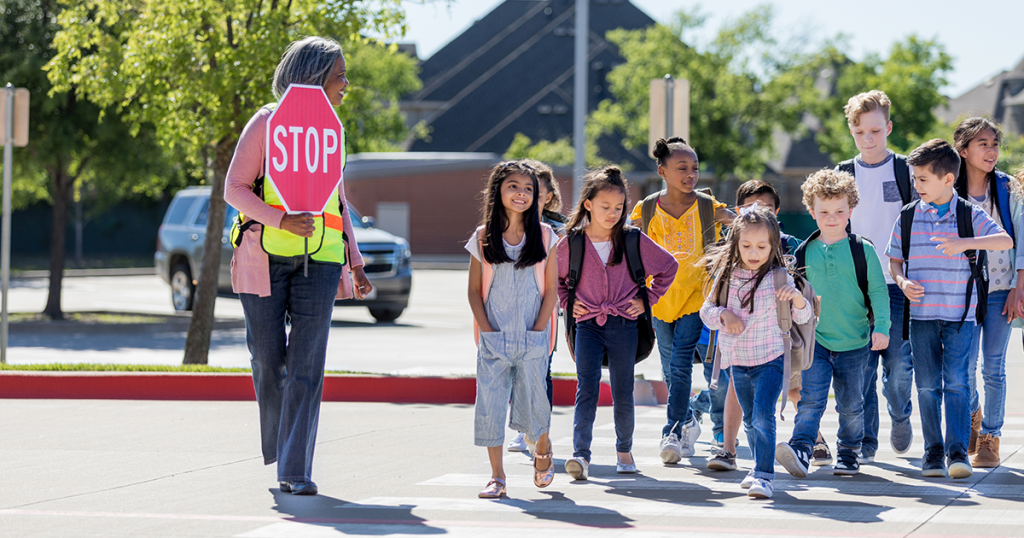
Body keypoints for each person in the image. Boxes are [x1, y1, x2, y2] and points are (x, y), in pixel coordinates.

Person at [224, 36, 373, 496]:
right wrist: (281, 217)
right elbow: (235, 188)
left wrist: (356, 260)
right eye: (339, 75)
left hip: (323, 260)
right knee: (270, 362)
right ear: (312, 77)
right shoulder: (266, 123)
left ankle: (294, 468)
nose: (347, 83)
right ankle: (282, 447)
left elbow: (338, 199)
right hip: (264, 258)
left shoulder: (332, 129)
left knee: (307, 365)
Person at [887, 139, 1012, 479]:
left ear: (946, 179)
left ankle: (958, 452)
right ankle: (933, 452)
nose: (917, 186)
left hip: (962, 317)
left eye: (923, 179)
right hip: (921, 318)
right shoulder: (909, 215)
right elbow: (894, 261)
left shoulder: (970, 214)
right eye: (915, 179)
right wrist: (901, 282)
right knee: (927, 386)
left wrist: (964, 243)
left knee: (958, 383)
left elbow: (1005, 241)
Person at [558, 166, 677, 480]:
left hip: (624, 326)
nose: (613, 214)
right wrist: (567, 302)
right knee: (587, 389)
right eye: (605, 207)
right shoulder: (573, 242)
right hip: (587, 325)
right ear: (588, 205)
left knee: (623, 391)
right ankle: (581, 455)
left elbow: (668, 266)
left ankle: (624, 451)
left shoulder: (632, 239)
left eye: (619, 208)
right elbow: (550, 277)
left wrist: (646, 300)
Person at [775, 169, 890, 478]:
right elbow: (797, 296)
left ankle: (849, 452)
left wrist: (882, 327)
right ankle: (801, 447)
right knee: (811, 400)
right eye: (824, 211)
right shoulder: (804, 252)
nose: (831, 217)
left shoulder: (862, 250)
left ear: (850, 211)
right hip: (817, 343)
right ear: (812, 212)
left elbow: (878, 291)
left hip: (855, 343)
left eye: (839, 211)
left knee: (852, 405)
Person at [629, 137, 734, 464]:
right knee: (670, 370)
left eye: (695, 168)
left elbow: (738, 222)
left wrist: (756, 220)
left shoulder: (707, 206)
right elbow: (624, 240)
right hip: (659, 301)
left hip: (696, 300)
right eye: (682, 168)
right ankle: (687, 420)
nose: (691, 174)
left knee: (680, 363)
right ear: (662, 171)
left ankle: (672, 430)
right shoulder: (646, 209)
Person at [699, 207, 813, 499]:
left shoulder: (779, 277)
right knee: (750, 418)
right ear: (735, 243)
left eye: (762, 246)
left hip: (771, 359)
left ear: (774, 245)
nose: (754, 252)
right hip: (738, 360)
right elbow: (706, 311)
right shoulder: (726, 276)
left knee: (763, 415)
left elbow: (804, 317)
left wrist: (798, 299)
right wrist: (724, 314)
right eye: (746, 245)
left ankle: (764, 475)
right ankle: (756, 468)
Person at [467, 161, 559, 498]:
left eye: (528, 189)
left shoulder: (547, 236)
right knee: (490, 405)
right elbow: (473, 291)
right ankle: (497, 477)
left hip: (533, 336)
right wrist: (487, 330)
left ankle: (543, 447)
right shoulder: (482, 237)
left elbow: (551, 291)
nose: (521, 194)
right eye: (513, 187)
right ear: (498, 191)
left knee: (536, 404)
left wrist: (538, 330)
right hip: (494, 338)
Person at [837, 90, 917, 464]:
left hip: (898, 284)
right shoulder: (843, 174)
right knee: (862, 369)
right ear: (851, 132)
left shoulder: (905, 171)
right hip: (857, 287)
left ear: (888, 127)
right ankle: (867, 440)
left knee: (899, 367)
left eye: (874, 130)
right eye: (859, 132)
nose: (867, 139)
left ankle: (901, 414)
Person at [953, 118, 1023, 468]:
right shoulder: (951, 190)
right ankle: (973, 415)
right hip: (963, 293)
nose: (992, 150)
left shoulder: (1008, 187)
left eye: (995, 143)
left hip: (1001, 290)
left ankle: (990, 438)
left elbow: (1022, 239)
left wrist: (1018, 288)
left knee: (994, 367)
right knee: (964, 368)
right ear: (963, 150)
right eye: (983, 143)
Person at [507, 159, 566, 454]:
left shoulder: (558, 232)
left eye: (536, 193)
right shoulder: (506, 227)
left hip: (546, 313)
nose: (528, 198)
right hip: (512, 310)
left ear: (548, 197)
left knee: (541, 371)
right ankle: (522, 426)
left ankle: (538, 428)